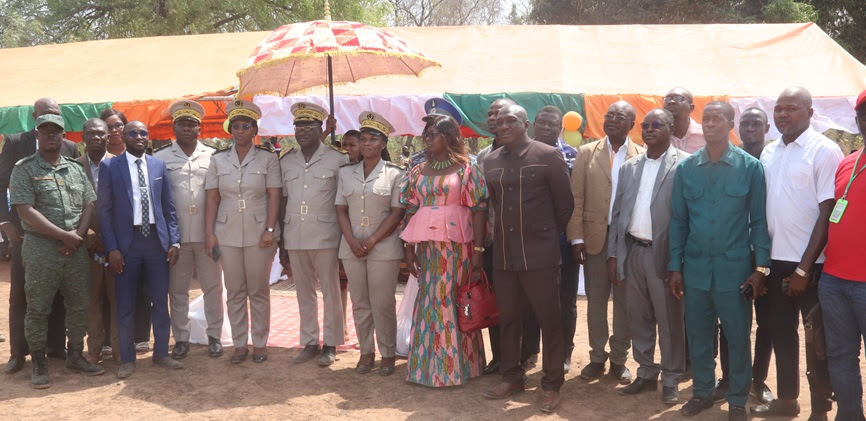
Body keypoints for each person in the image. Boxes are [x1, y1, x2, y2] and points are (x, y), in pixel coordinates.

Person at [668, 101, 770, 421]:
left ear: (730, 124)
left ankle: (737, 399)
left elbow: (759, 222)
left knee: (737, 336)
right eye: (707, 118)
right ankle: (702, 392)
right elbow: (678, 222)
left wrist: (760, 269)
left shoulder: (750, 167)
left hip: (735, 271)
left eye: (718, 118)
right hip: (696, 269)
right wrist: (675, 266)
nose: (711, 123)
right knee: (699, 336)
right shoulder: (686, 169)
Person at [752, 87, 841, 420]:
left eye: (791, 108)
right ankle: (788, 400)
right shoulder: (769, 152)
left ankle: (820, 408)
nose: (782, 115)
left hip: (811, 264)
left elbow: (828, 211)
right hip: (773, 261)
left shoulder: (824, 150)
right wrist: (761, 264)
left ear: (810, 113)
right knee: (779, 330)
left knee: (816, 338)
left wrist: (804, 269)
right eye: (778, 109)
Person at [481, 103, 573, 413]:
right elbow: (493, 205)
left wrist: (543, 235)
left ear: (526, 123)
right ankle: (512, 376)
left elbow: (565, 206)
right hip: (505, 257)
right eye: (500, 122)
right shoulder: (490, 161)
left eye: (511, 121)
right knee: (508, 320)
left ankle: (550, 385)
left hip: (540, 257)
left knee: (550, 321)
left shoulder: (547, 156)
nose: (504, 126)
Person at [9, 114, 104, 388]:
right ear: (37, 135)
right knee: (38, 307)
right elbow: (25, 209)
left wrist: (78, 236)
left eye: (56, 131)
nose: (51, 135)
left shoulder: (75, 168)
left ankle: (75, 354)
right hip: (41, 249)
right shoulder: (24, 168)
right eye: (46, 131)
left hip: (75, 249)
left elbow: (89, 203)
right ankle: (39, 361)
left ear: (64, 136)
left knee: (79, 304)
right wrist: (64, 236)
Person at [607, 108, 689, 404]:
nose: (649, 129)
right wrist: (614, 255)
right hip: (633, 252)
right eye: (645, 125)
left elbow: (687, 217)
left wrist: (678, 262)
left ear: (670, 128)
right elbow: (618, 215)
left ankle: (671, 377)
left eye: (656, 124)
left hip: (664, 255)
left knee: (669, 320)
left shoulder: (685, 165)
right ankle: (645, 372)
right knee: (638, 317)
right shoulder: (630, 167)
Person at [400, 113, 487, 387]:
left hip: (456, 248)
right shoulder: (417, 170)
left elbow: (479, 210)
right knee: (428, 300)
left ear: (449, 137)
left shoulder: (466, 169)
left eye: (433, 133)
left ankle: (455, 369)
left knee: (450, 301)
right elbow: (410, 209)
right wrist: (408, 249)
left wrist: (479, 250)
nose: (427, 137)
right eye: (426, 133)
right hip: (426, 247)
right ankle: (425, 368)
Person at [1, 98, 80, 374]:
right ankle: (18, 353)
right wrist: (5, 224)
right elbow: (1, 185)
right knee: (22, 294)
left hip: (60, 237)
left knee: (57, 291)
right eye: (45, 114)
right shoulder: (14, 142)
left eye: (55, 114)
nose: (50, 119)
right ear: (34, 118)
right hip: (22, 234)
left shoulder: (69, 147)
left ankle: (56, 346)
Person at [98, 120, 182, 379]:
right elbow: (104, 210)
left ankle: (161, 354)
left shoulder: (158, 165)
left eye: (143, 133)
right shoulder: (110, 166)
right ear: (123, 136)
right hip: (126, 245)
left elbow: (168, 207)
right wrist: (111, 248)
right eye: (132, 133)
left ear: (149, 137)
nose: (138, 136)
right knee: (125, 304)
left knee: (160, 301)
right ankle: (127, 358)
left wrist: (174, 240)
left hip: (157, 243)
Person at [568, 100, 642, 384]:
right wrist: (576, 237)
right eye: (609, 115)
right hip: (594, 238)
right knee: (596, 300)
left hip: (626, 241)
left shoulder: (641, 155)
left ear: (631, 124)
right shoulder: (586, 152)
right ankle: (597, 356)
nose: (612, 119)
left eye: (619, 116)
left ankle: (619, 359)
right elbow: (576, 198)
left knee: (624, 302)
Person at [204, 100, 281, 364]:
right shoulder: (218, 159)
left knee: (258, 290)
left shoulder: (268, 159)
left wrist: (270, 228)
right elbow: (212, 198)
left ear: (254, 129)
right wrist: (209, 233)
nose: (239, 130)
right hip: (226, 232)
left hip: (261, 233)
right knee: (235, 290)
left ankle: (259, 343)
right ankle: (239, 344)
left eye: (245, 125)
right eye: (235, 125)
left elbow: (274, 196)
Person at [336, 112, 406, 376]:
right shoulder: (345, 173)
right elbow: (340, 209)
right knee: (360, 302)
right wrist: (353, 240)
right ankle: (366, 352)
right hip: (352, 246)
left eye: (373, 139)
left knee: (382, 302)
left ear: (383, 144)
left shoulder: (395, 174)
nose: (366, 144)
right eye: (363, 138)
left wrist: (372, 240)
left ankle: (388, 353)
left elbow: (397, 213)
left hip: (383, 248)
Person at [155, 100, 225, 360]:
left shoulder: (214, 157)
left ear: (200, 128)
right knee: (178, 290)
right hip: (178, 238)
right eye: (181, 124)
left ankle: (214, 336)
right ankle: (181, 338)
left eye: (191, 124)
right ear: (174, 127)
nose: (186, 128)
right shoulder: (160, 158)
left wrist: (215, 233)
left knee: (213, 288)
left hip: (208, 235)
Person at [281, 102, 348, 366]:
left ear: (320, 128)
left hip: (326, 235)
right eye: (299, 126)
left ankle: (330, 343)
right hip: (295, 234)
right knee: (303, 292)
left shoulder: (337, 159)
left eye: (309, 126)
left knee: (330, 291)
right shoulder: (286, 161)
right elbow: (284, 200)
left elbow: (344, 202)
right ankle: (310, 341)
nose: (303, 131)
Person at [717, 106, 775, 405]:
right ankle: (727, 379)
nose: (750, 128)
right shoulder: (730, 159)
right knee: (729, 321)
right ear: (737, 128)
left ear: (767, 127)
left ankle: (758, 379)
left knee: (766, 323)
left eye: (756, 123)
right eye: (745, 123)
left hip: (768, 254)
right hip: (734, 253)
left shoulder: (776, 158)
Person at [819, 89, 866, 421]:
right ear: (857, 121)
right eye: (864, 115)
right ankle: (849, 415)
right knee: (840, 355)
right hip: (834, 280)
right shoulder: (848, 161)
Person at [520, 105, 579, 372]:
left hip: (563, 241)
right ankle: (530, 349)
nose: (546, 128)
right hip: (529, 242)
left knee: (565, 300)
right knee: (530, 300)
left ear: (561, 128)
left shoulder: (572, 156)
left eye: (552, 124)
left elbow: (572, 201)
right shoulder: (520, 153)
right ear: (533, 124)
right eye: (541, 122)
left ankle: (565, 352)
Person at [100, 107, 151, 355]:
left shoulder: (145, 158)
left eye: (118, 125)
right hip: (102, 237)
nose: (115, 131)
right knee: (106, 291)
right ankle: (111, 339)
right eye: (109, 127)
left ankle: (141, 335)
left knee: (140, 286)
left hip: (139, 236)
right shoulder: (100, 160)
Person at [476, 97, 515, 375]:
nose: (493, 119)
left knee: (519, 304)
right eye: (490, 114)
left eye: (499, 114)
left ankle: (523, 356)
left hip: (521, 243)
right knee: (495, 300)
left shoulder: (526, 151)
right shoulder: (482, 156)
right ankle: (499, 357)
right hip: (492, 242)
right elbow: (479, 202)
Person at [77, 118, 119, 364]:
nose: (95, 137)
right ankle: (93, 351)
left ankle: (119, 349)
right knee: (91, 301)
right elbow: (69, 208)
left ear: (108, 137)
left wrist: (113, 239)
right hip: (86, 245)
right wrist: (90, 237)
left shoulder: (119, 165)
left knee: (118, 299)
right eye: (90, 133)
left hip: (116, 247)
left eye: (100, 133)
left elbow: (126, 206)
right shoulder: (72, 167)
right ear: (82, 137)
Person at [664, 87, 706, 154]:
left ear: (691, 108)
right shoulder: (658, 136)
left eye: (678, 98)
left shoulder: (706, 136)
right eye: (667, 99)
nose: (671, 102)